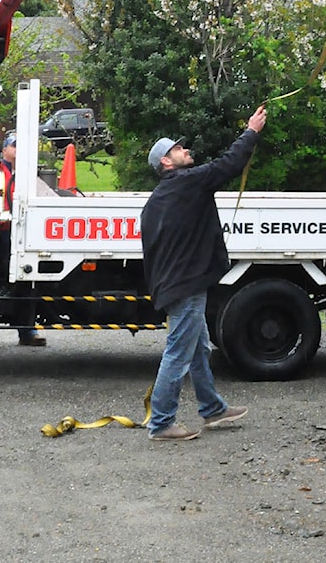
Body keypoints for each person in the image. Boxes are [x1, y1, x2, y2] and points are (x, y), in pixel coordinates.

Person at [140, 106, 267, 442]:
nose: (185, 150)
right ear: (166, 163)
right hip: (185, 285)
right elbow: (229, 164)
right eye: (177, 149)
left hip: (177, 284)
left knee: (197, 349)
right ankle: (162, 423)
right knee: (178, 352)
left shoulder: (161, 198)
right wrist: (251, 131)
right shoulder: (187, 183)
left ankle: (212, 408)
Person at [0, 133, 47, 349]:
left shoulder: (28, 173)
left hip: (20, 233)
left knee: (25, 281)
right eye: (15, 145)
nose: (19, 149)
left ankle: (27, 330)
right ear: (5, 150)